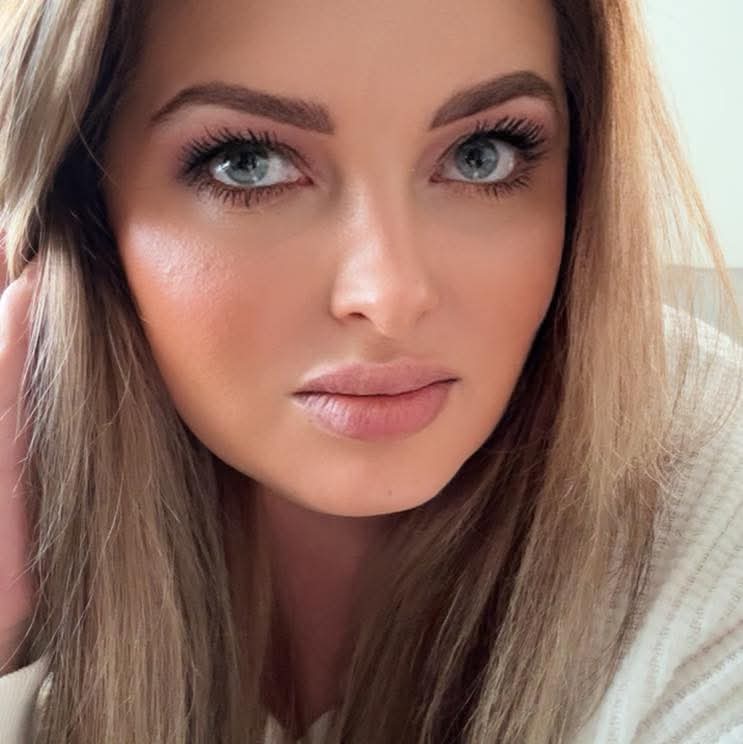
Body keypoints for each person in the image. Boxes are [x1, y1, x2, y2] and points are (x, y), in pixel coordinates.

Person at [0, 0, 741, 742]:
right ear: (79, 215)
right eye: (248, 164)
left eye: (481, 153)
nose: (389, 296)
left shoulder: (708, 488)